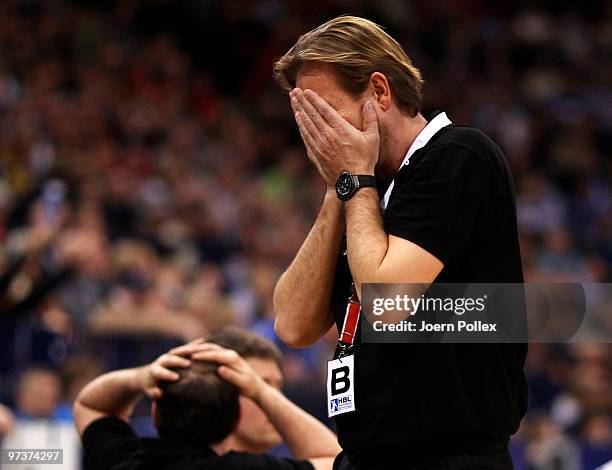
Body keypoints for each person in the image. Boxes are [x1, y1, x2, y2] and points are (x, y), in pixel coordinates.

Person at [272, 15, 527, 469]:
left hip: (447, 458)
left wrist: (354, 178)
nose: (319, 132)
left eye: (326, 111)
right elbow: (292, 325)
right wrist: (339, 188)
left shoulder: (458, 156)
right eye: (306, 118)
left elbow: (388, 304)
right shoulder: (360, 187)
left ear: (379, 92)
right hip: (363, 454)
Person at [73, 338, 341, 470]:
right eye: (263, 384)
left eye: (277, 387)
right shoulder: (246, 469)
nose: (274, 398)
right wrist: (260, 392)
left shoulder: (123, 462)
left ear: (154, 410)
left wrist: (141, 377)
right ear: (233, 416)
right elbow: (337, 462)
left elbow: (92, 406)